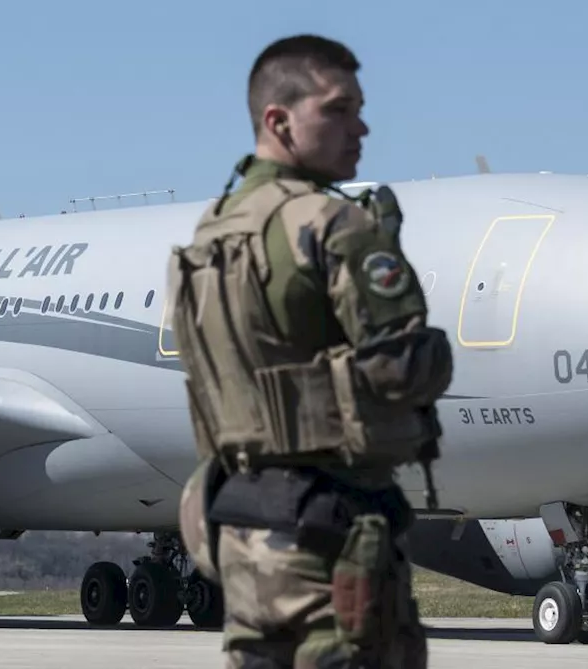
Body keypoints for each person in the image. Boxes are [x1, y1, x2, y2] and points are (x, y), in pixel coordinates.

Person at [171, 33, 454, 668]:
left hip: (241, 528)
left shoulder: (210, 235)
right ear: (279, 120)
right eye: (338, 109)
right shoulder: (333, 227)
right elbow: (403, 367)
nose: (362, 126)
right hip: (330, 528)